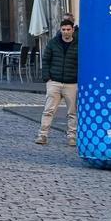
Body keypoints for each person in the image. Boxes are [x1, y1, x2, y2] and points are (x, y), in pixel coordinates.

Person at [37, 17, 78, 147]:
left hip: (71, 83)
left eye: (68, 29)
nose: (66, 32)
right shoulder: (53, 43)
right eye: (63, 29)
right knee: (48, 110)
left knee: (72, 112)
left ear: (72, 30)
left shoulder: (79, 44)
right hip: (54, 82)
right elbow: (46, 60)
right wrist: (47, 78)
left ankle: (72, 136)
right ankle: (43, 135)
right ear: (60, 30)